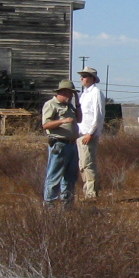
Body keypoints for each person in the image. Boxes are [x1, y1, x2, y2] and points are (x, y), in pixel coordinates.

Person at [41, 79, 79, 204]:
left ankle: (67, 204)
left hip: (72, 145)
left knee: (70, 177)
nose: (71, 96)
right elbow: (46, 125)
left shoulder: (70, 106)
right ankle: (49, 204)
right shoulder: (51, 104)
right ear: (61, 92)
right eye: (69, 93)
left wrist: (77, 104)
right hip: (59, 144)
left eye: (72, 94)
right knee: (54, 176)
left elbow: (79, 119)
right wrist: (62, 121)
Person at [76, 66, 105, 200]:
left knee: (88, 164)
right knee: (82, 165)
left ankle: (91, 194)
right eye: (82, 76)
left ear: (92, 78)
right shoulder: (84, 94)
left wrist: (91, 133)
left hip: (89, 134)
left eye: (85, 76)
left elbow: (98, 115)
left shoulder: (96, 93)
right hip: (81, 133)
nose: (82, 78)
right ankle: (87, 191)